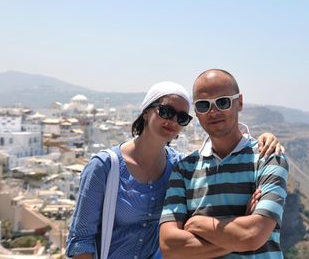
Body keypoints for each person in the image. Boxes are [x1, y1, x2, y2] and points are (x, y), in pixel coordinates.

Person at [66, 81, 283, 259]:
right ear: (145, 112)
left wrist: (265, 138)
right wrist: (240, 239)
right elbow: (81, 240)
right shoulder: (105, 167)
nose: (172, 121)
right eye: (166, 111)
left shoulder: (180, 167)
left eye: (182, 117)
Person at [159, 70, 288, 258]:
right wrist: (240, 230)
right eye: (204, 105)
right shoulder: (184, 170)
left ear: (240, 102)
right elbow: (170, 247)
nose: (213, 111)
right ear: (196, 112)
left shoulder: (268, 157)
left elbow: (253, 235)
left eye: (223, 101)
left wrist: (198, 224)